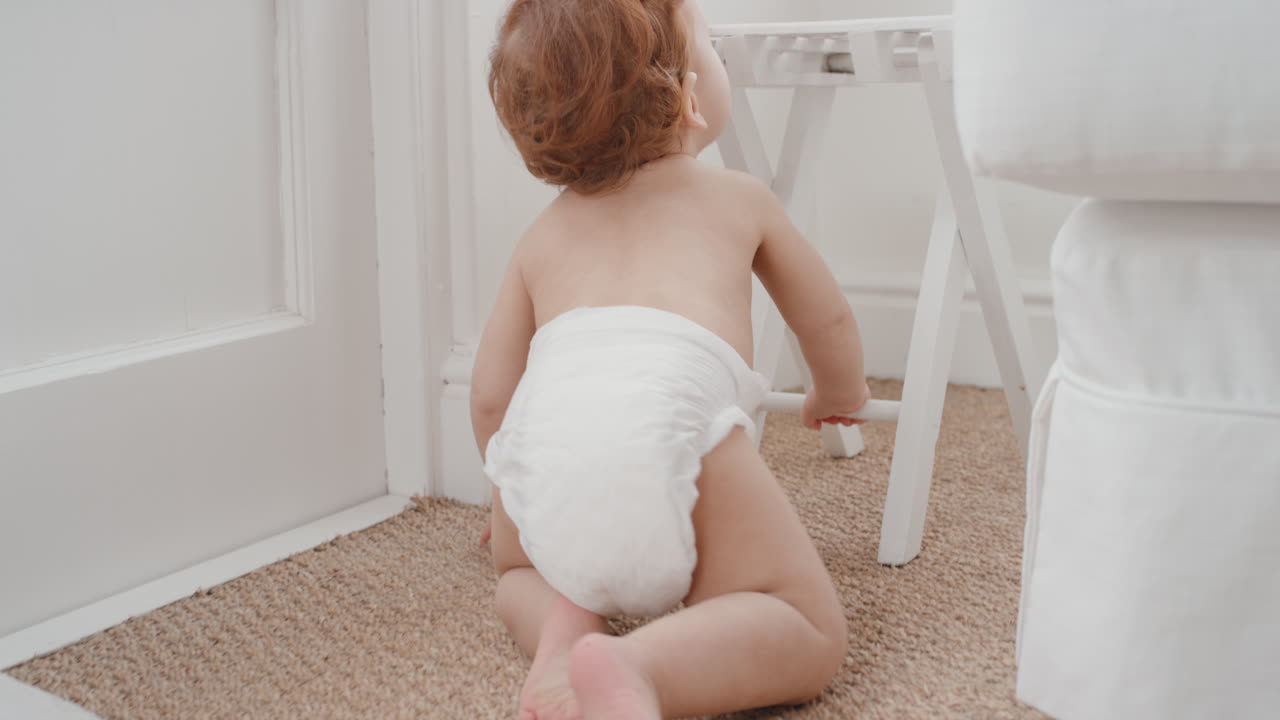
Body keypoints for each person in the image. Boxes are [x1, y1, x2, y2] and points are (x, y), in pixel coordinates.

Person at [471, 1, 870, 717]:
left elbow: (492, 401)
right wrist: (837, 391)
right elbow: (827, 316)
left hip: (547, 436)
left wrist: (521, 495)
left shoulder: (541, 236)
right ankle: (639, 666)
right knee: (804, 623)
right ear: (688, 95)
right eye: (712, 49)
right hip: (672, 419)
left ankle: (562, 633)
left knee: (513, 579)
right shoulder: (739, 199)